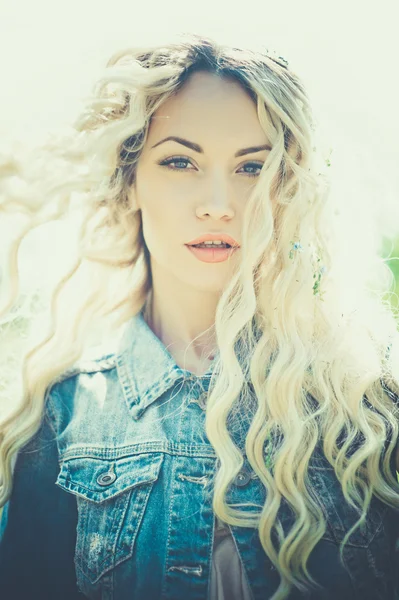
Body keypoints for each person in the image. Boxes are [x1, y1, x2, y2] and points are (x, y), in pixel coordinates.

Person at [0, 32, 398, 600]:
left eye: (251, 167)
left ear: (285, 188)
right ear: (129, 182)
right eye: (181, 161)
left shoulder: (367, 408)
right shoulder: (60, 414)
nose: (218, 202)